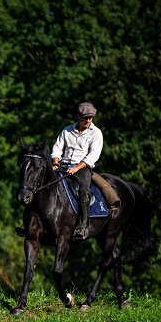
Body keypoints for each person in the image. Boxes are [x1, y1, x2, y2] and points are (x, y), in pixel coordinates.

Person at [51, 102, 103, 240]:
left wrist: (76, 168)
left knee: (84, 192)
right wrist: (56, 162)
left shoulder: (96, 133)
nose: (88, 121)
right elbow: (57, 148)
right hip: (62, 167)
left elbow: (93, 156)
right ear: (78, 117)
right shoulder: (66, 130)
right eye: (85, 118)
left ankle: (83, 226)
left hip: (83, 168)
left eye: (90, 118)